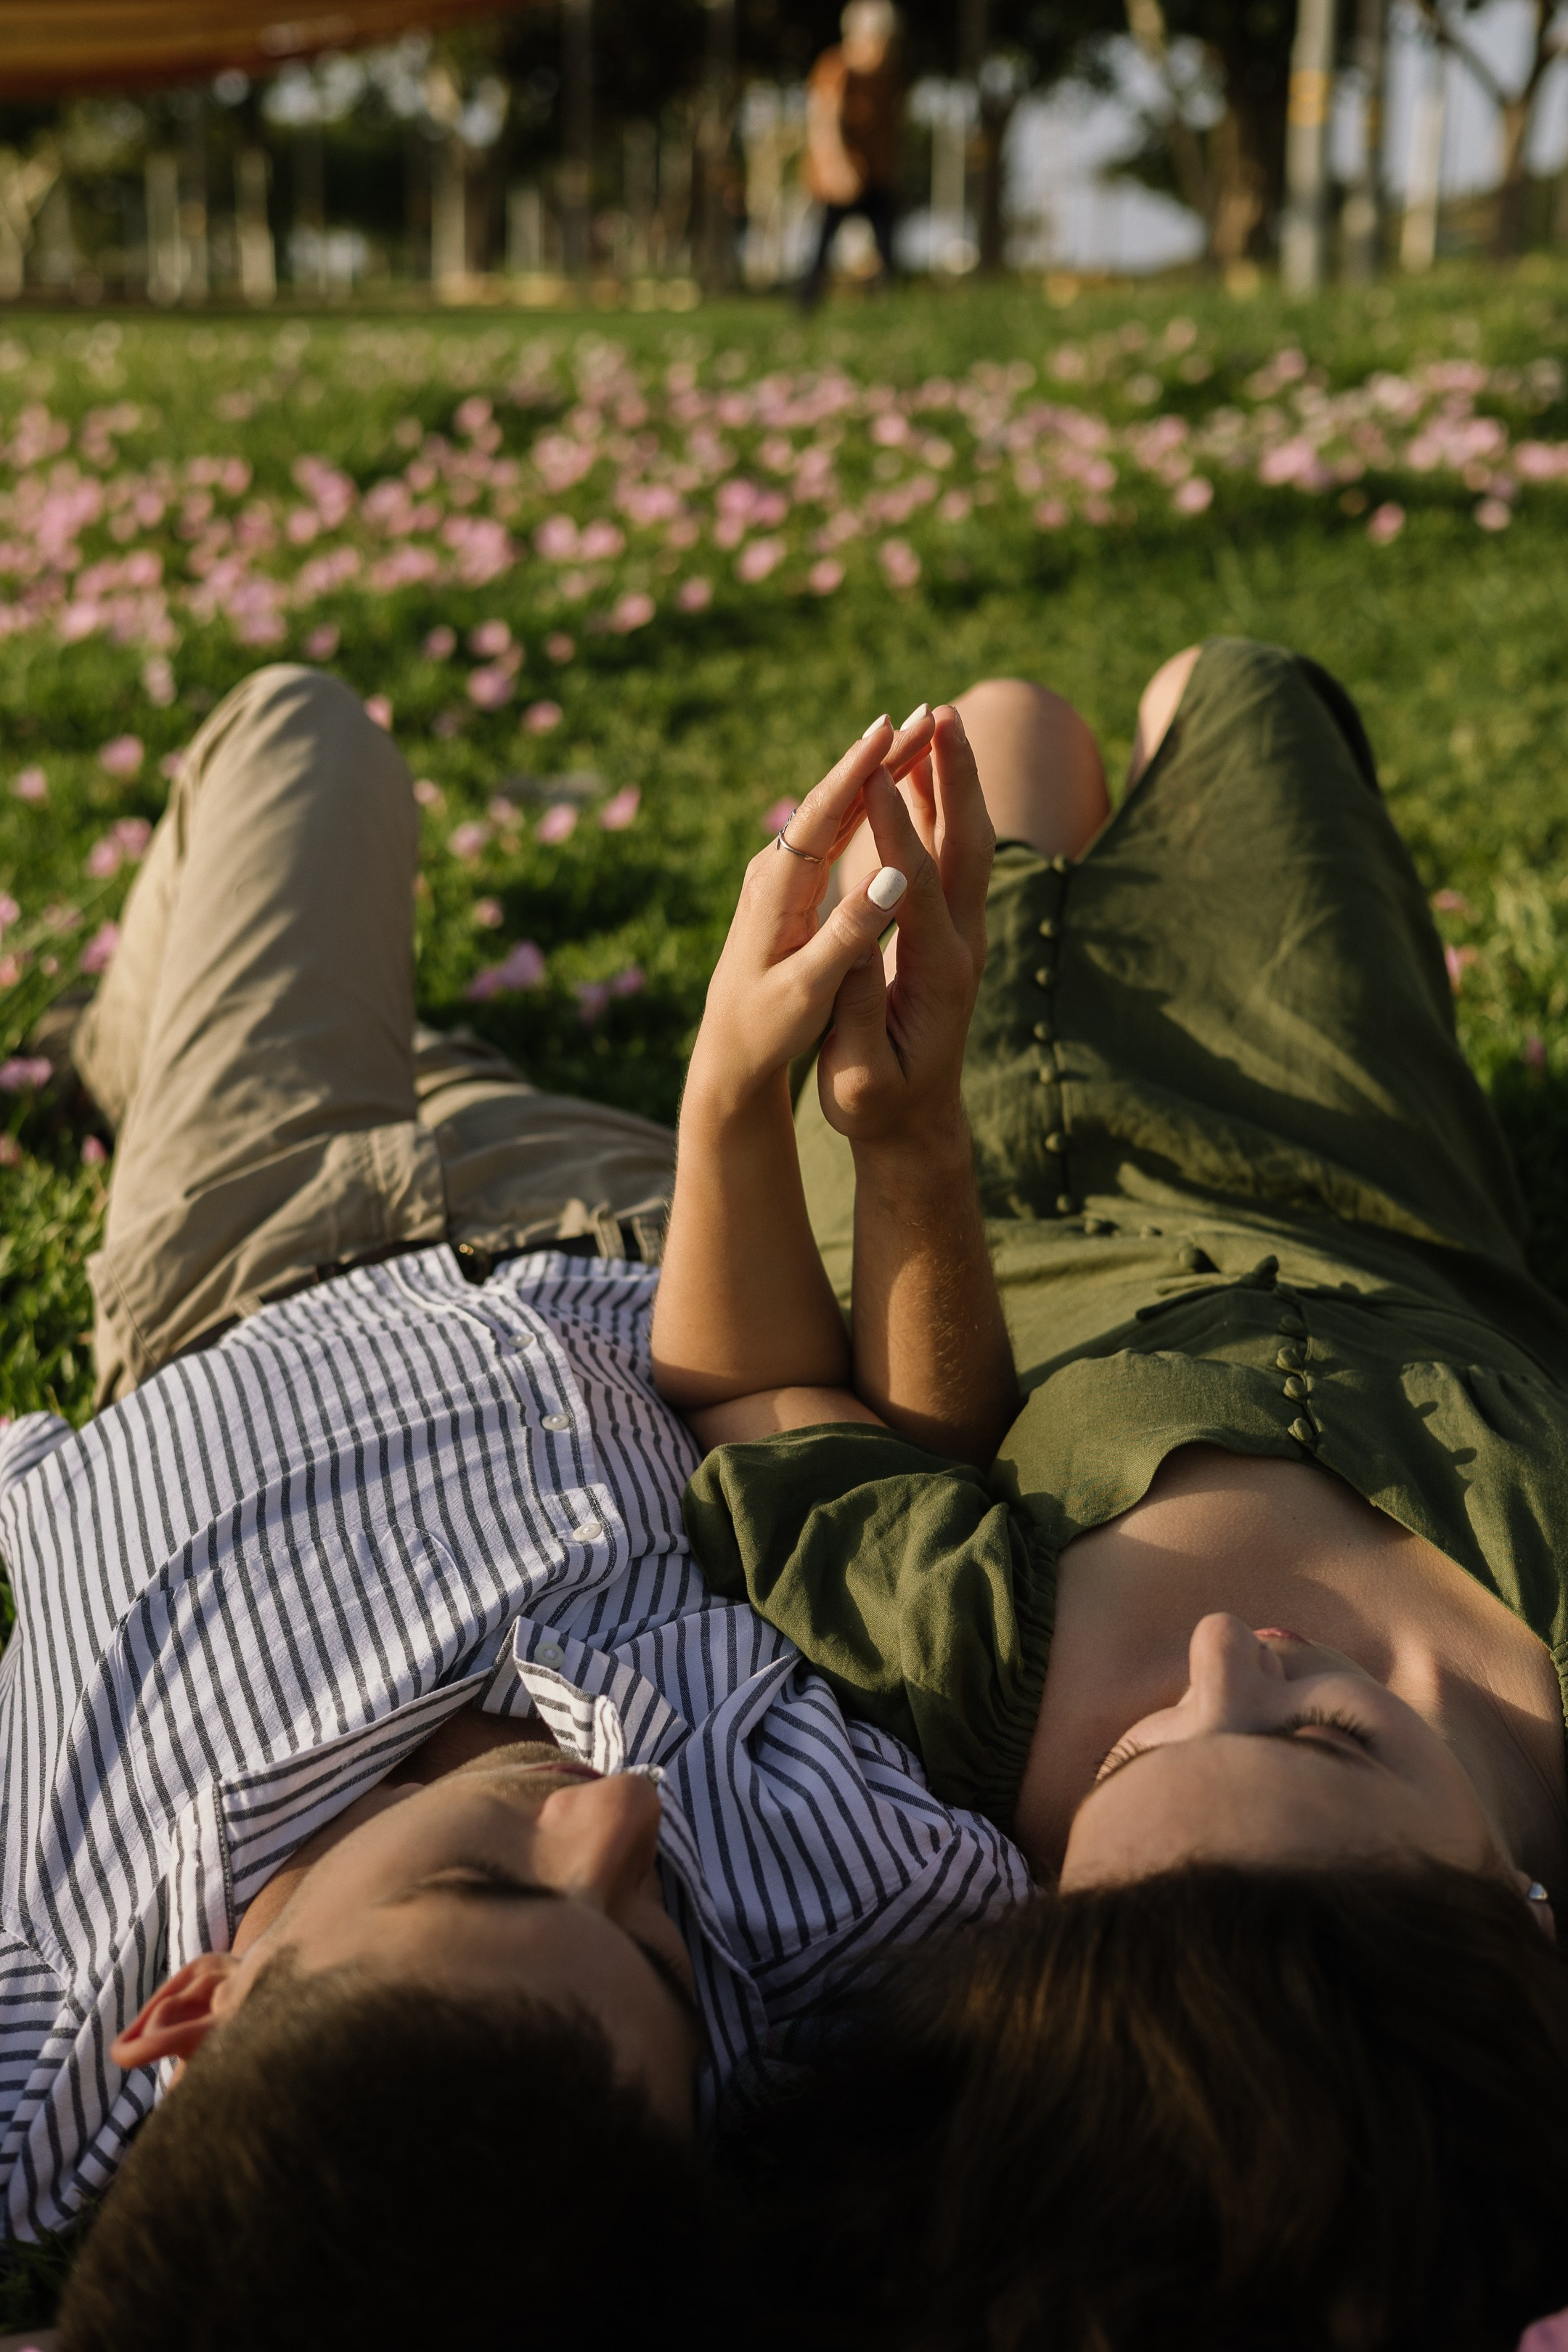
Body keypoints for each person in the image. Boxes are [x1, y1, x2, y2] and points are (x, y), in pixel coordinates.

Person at [0, 669, 1029, 2344]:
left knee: (301, 730)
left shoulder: (40, 2017)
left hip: (250, 1237)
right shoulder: (839, 1903)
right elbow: (919, 1517)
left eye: (487, 1883)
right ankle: (394, 1056)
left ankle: (187, 1047)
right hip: (657, 1238)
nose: (619, 1820)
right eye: (661, 1959)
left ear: (198, 2004)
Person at [652, 640, 1568, 2340]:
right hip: (1338, 1152)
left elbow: (752, 1402)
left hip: (946, 1163)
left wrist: (765, 1103)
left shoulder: (978, 1701)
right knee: (1235, 689)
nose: (1220, 1654)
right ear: (1522, 1925)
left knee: (996, 726)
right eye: (1322, 1737)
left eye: (1139, 1758)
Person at [799, 0, 904, 309]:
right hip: (838, 176)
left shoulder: (887, 75)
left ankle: (887, 301)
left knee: (886, 241)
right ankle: (806, 304)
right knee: (822, 245)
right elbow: (823, 124)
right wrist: (838, 169)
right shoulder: (835, 68)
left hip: (875, 174)